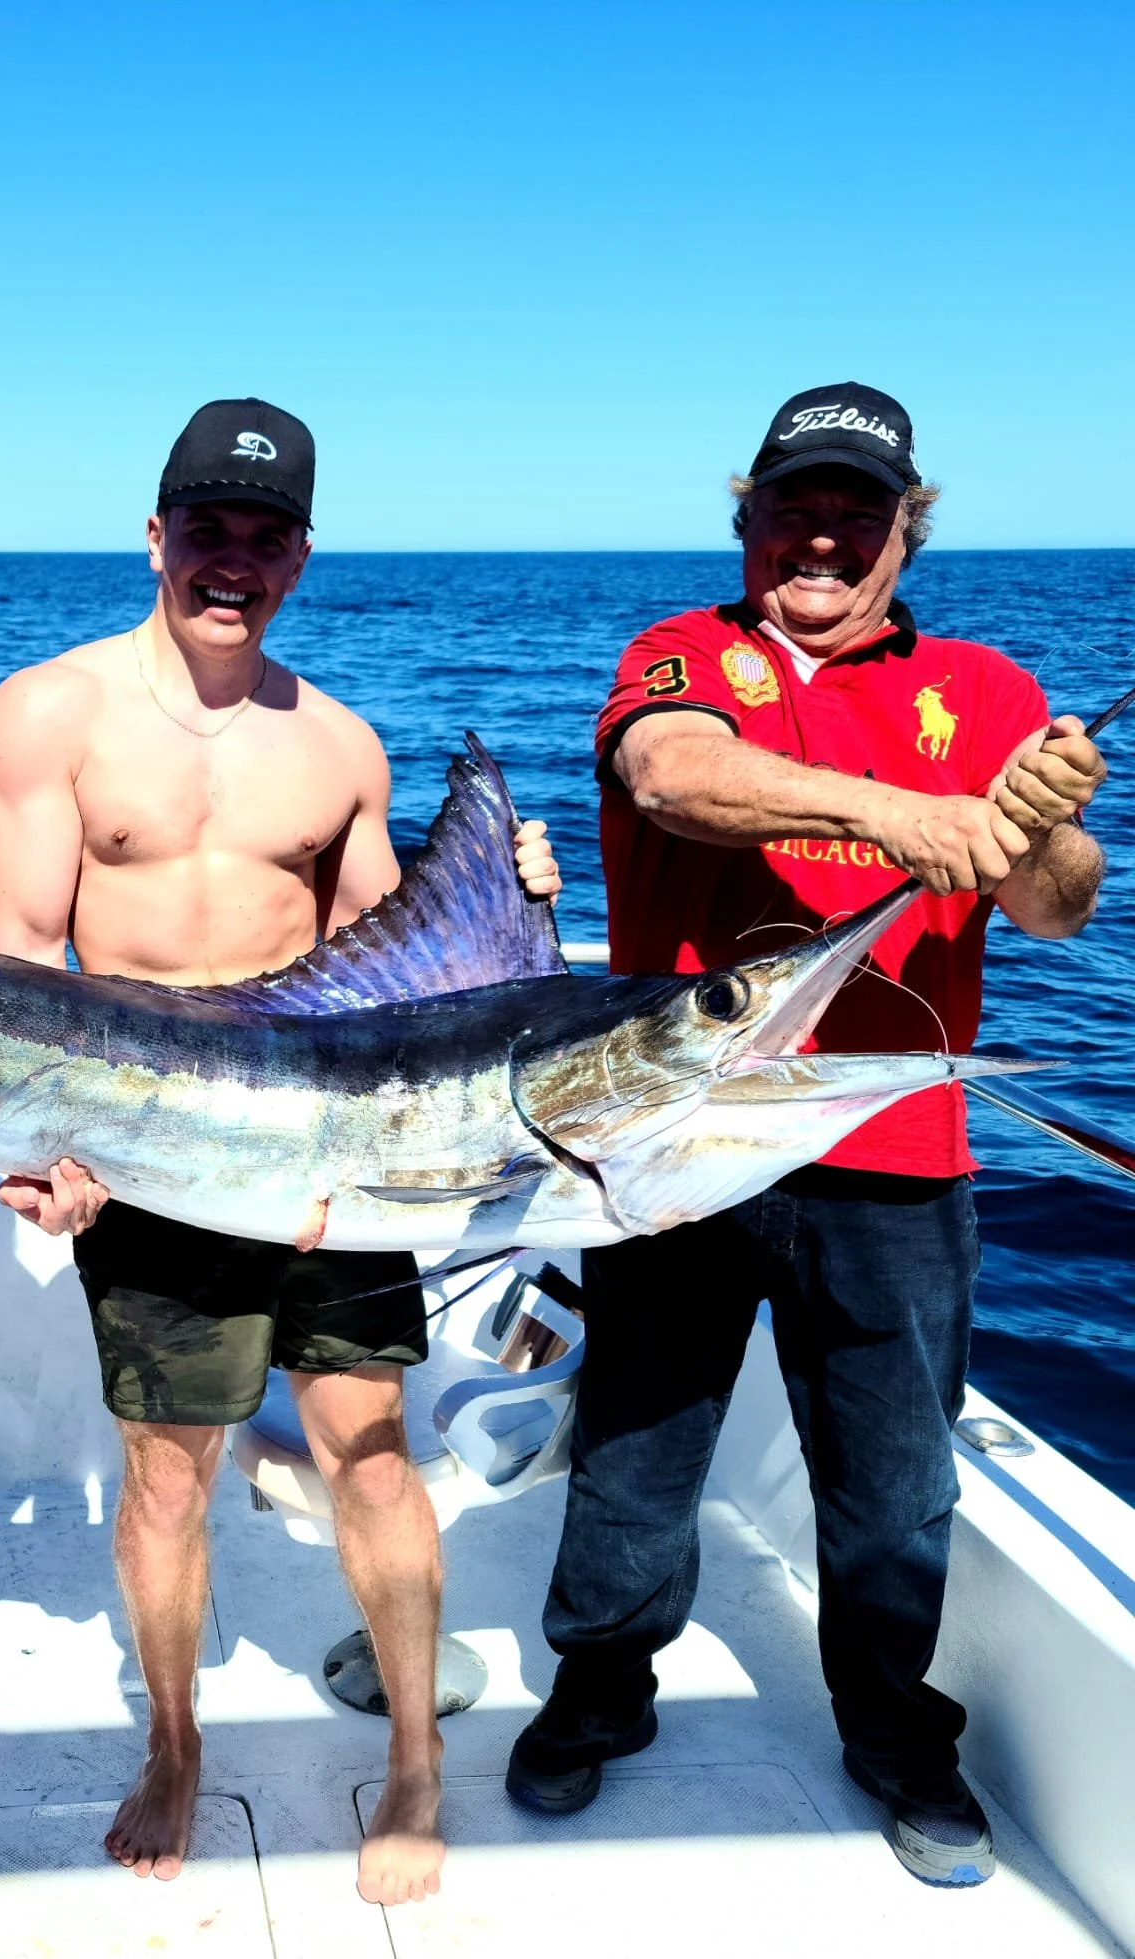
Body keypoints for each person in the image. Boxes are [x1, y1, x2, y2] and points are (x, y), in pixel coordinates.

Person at [506, 383, 1106, 1888]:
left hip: (898, 1156)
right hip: (678, 1141)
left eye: (861, 509)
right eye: (795, 504)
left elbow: (1056, 901)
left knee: (899, 1475)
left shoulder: (985, 685)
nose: (824, 535)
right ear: (746, 514)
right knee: (639, 1447)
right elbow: (670, 773)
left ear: (911, 527)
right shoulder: (682, 652)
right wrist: (912, 818)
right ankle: (601, 1684)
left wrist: (1043, 827)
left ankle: (896, 1730)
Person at [0, 399, 561, 1907]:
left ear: (301, 553)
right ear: (155, 531)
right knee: (167, 1478)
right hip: (147, 1159)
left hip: (327, 1166)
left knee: (372, 1449)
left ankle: (417, 1757)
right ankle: (172, 1738)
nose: (234, 560)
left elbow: (404, 975)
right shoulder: (46, 711)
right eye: (207, 528)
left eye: (266, 534)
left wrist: (516, 898)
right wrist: (39, 1149)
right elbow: (21, 958)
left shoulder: (343, 745)